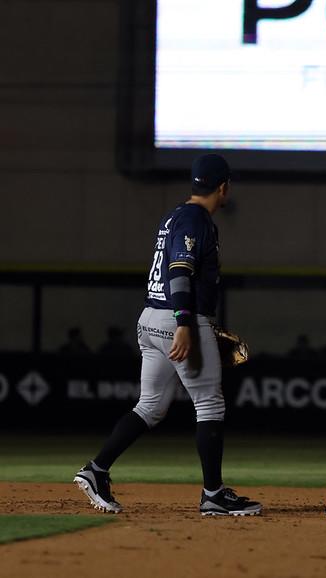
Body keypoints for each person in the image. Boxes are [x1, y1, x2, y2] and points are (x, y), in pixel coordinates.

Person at [73, 154, 261, 516]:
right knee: (209, 404)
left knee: (150, 406)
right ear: (223, 187)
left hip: (150, 317)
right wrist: (186, 324)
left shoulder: (175, 214)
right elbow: (180, 271)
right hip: (177, 319)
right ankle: (213, 495)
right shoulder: (196, 219)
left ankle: (96, 470)